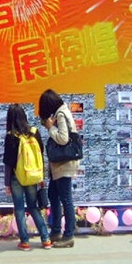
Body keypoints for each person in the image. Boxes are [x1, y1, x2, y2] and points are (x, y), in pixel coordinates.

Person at [3, 104, 51, 251]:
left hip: (16, 177)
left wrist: (7, 183)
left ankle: (24, 241)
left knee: (19, 209)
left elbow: (8, 162)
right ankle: (46, 239)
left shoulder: (11, 136)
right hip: (33, 175)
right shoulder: (34, 132)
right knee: (33, 207)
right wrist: (41, 176)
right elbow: (40, 156)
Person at [38, 89, 79, 248]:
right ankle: (56, 231)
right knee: (53, 195)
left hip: (64, 164)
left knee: (66, 199)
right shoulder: (62, 112)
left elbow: (63, 139)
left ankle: (68, 235)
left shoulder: (61, 114)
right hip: (59, 165)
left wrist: (50, 127)